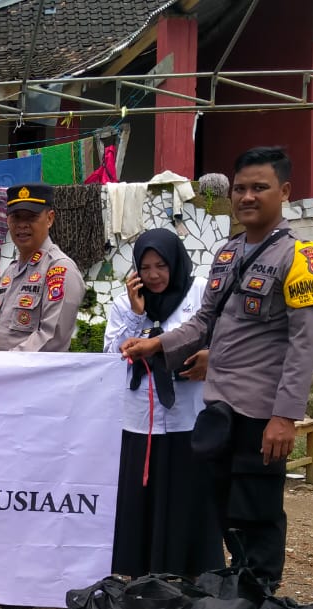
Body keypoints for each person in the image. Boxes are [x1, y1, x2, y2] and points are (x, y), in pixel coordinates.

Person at [121, 147, 313, 589]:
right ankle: (235, 603)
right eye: (240, 188)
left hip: (261, 413)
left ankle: (260, 606)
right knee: (226, 512)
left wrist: (285, 416)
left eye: (260, 187)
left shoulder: (301, 257)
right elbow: (203, 323)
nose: (247, 197)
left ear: (285, 192)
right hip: (218, 409)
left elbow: (304, 344)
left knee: (258, 515)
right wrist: (157, 344)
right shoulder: (228, 253)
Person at [103, 228, 222, 578]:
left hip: (189, 414)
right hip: (140, 418)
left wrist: (207, 357)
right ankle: (141, 572)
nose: (154, 275)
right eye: (146, 267)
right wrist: (138, 315)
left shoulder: (199, 293)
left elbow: (223, 337)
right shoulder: (126, 303)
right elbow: (111, 355)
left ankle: (192, 571)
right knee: (143, 496)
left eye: (161, 266)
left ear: (176, 263)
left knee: (187, 495)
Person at [0, 183, 83, 351]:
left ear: (49, 219)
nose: (22, 225)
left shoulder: (60, 269)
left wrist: (3, 365)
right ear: (8, 220)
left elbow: (51, 338)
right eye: (16, 217)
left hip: (34, 375)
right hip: (2, 372)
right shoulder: (11, 270)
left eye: (31, 217)